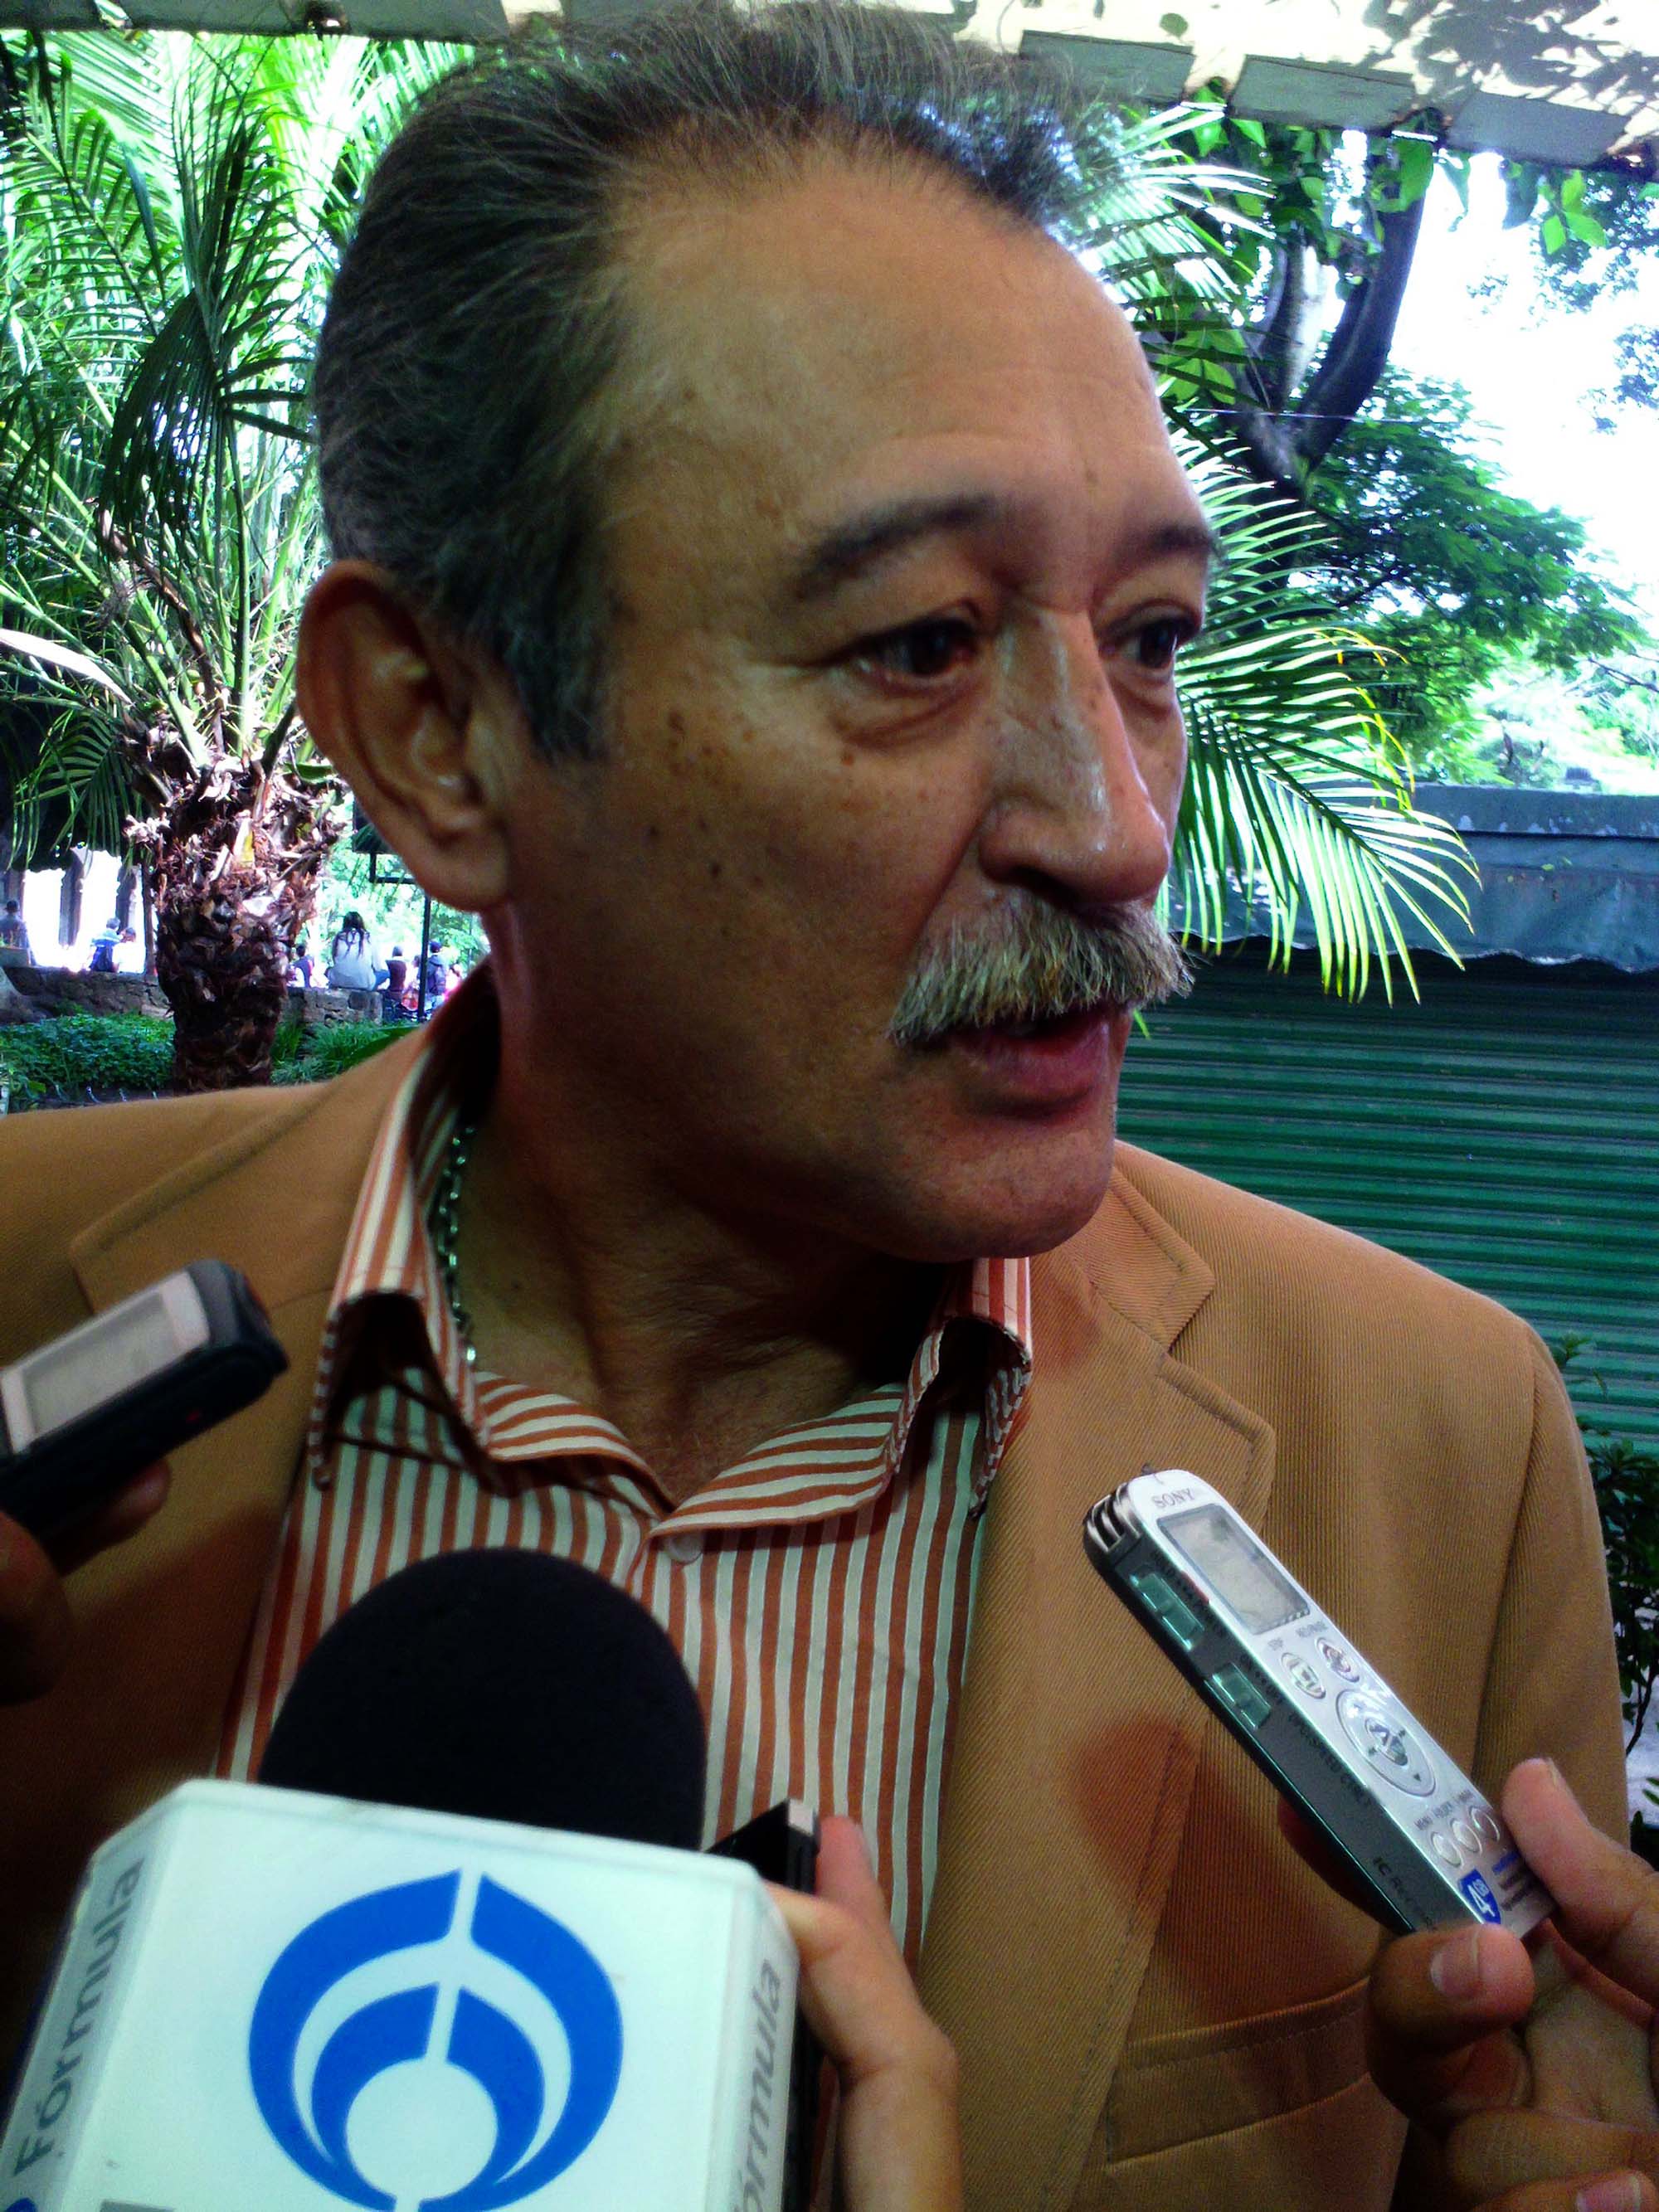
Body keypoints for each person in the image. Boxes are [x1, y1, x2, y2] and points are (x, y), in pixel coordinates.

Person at [0, 9, 1638, 2206]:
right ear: (436, 731)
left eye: (1149, 638)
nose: (1117, 828)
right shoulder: (22, 1295)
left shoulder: (1437, 1440)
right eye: (920, 643)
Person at [326, 907, 377, 990]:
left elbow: (335, 960)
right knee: (385, 973)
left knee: (328, 971)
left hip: (339, 982)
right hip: (364, 983)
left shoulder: (339, 937)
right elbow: (377, 966)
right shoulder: (368, 937)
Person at [0, 897, 29, 961]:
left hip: (2, 956)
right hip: (15, 957)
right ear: (17, 910)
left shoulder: (1, 922)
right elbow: (24, 945)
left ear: (7, 910)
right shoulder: (21, 923)